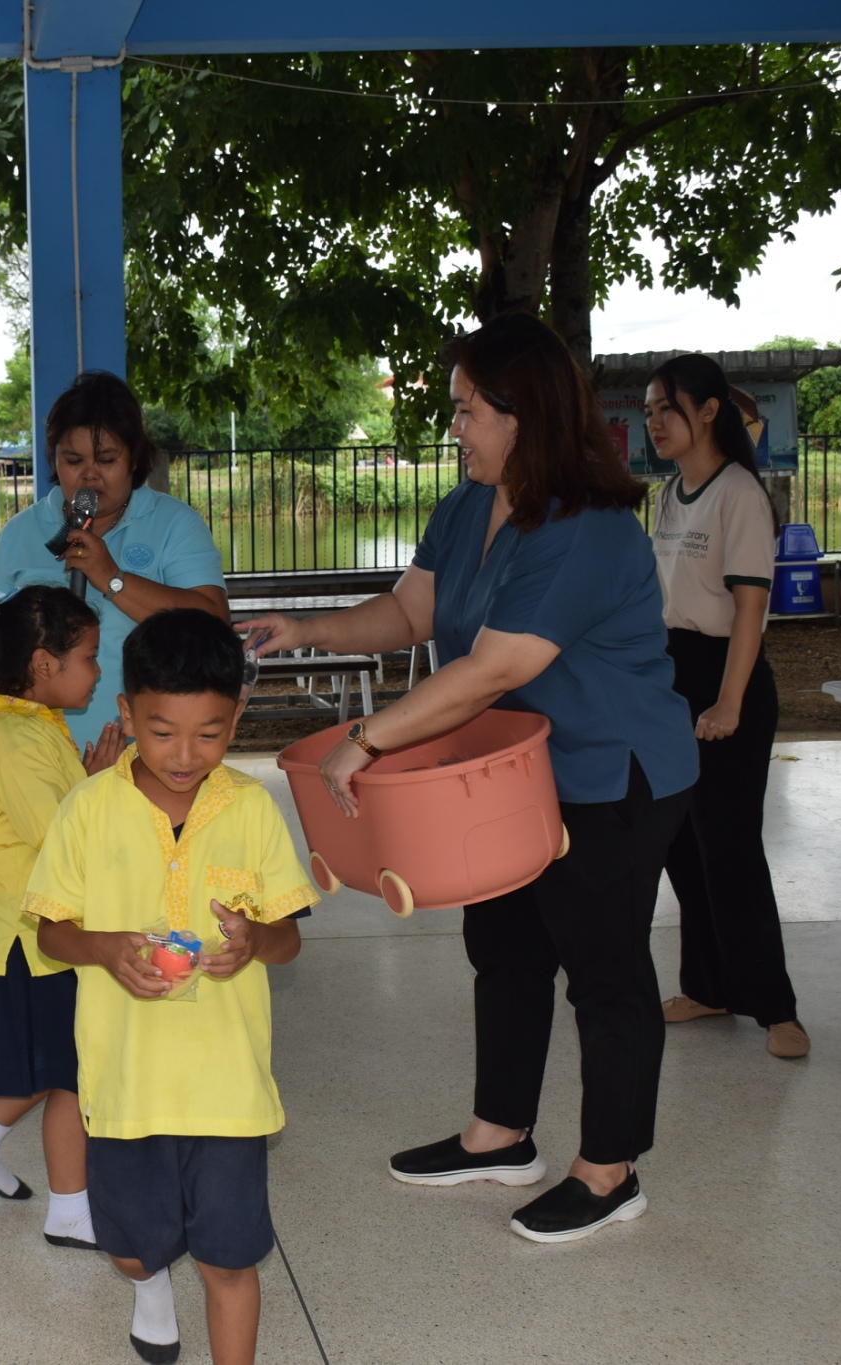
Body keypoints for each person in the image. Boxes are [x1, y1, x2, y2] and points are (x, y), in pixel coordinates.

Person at [242, 312, 698, 1245]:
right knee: (506, 946)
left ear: (522, 414)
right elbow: (411, 611)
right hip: (509, 774)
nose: (455, 427)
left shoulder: (585, 527)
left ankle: (610, 1171)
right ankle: (500, 1134)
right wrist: (306, 630)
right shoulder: (467, 506)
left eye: (466, 410)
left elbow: (493, 668)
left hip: (610, 773)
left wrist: (366, 739)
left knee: (603, 967)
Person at [27, 610, 317, 1365]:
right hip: (126, 1086)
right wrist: (103, 946)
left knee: (230, 1261)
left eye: (209, 734)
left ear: (236, 720)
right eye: (162, 732)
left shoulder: (252, 808)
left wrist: (255, 942)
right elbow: (50, 932)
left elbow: (288, 939)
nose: (185, 755)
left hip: (228, 1089)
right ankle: (148, 1283)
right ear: (127, 715)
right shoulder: (88, 808)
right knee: (130, 1248)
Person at [0, 586, 122, 1250]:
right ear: (43, 663)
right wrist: (102, 789)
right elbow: (63, 844)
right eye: (90, 657)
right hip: (23, 939)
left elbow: (57, 820)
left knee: (52, 1062)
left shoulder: (24, 723)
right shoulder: (14, 737)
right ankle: (69, 1212)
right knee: (72, 1072)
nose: (98, 671)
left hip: (24, 931)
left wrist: (90, 783)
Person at [645, 355, 808, 1059]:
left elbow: (749, 611)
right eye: (648, 411)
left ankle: (776, 1008)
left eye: (666, 408)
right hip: (673, 674)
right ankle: (708, 987)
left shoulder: (738, 493)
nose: (654, 423)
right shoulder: (669, 495)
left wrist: (729, 702)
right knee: (681, 844)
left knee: (730, 847)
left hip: (726, 677)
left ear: (708, 411)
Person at [0, 371, 228, 751]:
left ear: (134, 458)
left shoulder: (175, 524)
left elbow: (215, 625)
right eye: (73, 460)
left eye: (107, 459)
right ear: (54, 458)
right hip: (35, 754)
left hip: (149, 754)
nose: (89, 475)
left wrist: (112, 577)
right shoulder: (19, 533)